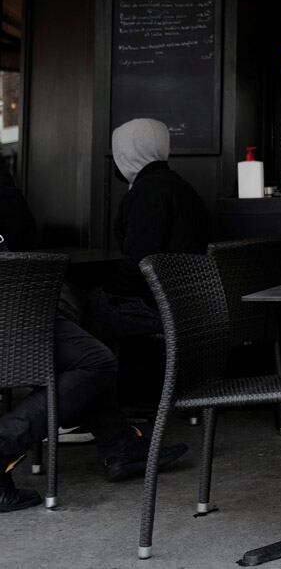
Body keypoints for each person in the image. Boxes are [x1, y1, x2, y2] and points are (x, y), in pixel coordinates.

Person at [0, 163, 186, 513]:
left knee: (84, 337)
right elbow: (21, 231)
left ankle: (119, 444)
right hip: (10, 308)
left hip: (17, 311)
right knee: (92, 355)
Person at [83, 118, 210, 344]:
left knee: (84, 304)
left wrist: (106, 288)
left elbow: (140, 264)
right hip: (191, 304)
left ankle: (99, 375)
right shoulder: (179, 186)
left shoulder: (148, 192)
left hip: (162, 310)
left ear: (126, 153)